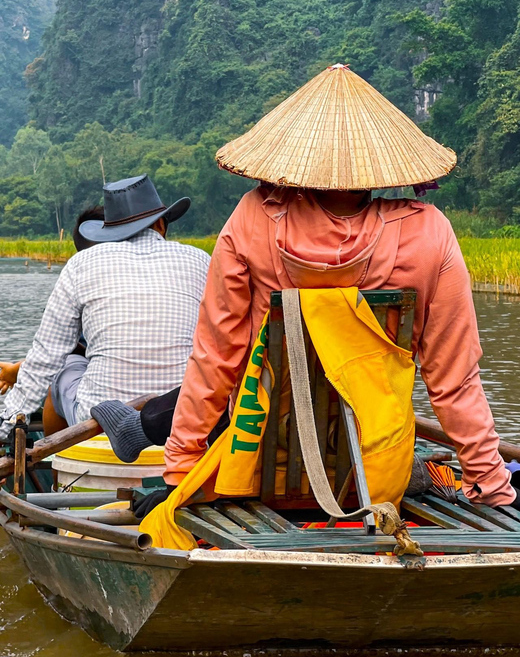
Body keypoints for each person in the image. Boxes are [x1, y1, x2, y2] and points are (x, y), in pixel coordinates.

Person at [99, 65, 519, 516]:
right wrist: (491, 486)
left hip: (259, 467)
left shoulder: (252, 219)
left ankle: (140, 431)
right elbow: (455, 381)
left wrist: (180, 473)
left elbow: (216, 360)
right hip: (374, 477)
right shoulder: (431, 233)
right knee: (424, 462)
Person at [0, 175, 210, 446]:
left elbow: (46, 358)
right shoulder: (201, 260)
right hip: (183, 416)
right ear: (161, 223)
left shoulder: (81, 264)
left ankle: (59, 470)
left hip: (97, 422)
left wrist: (6, 425)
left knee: (64, 366)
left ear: (111, 229)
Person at [0, 205, 105, 402]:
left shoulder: (80, 274)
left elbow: (58, 356)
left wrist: (20, 370)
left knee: (56, 381)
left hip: (103, 393)